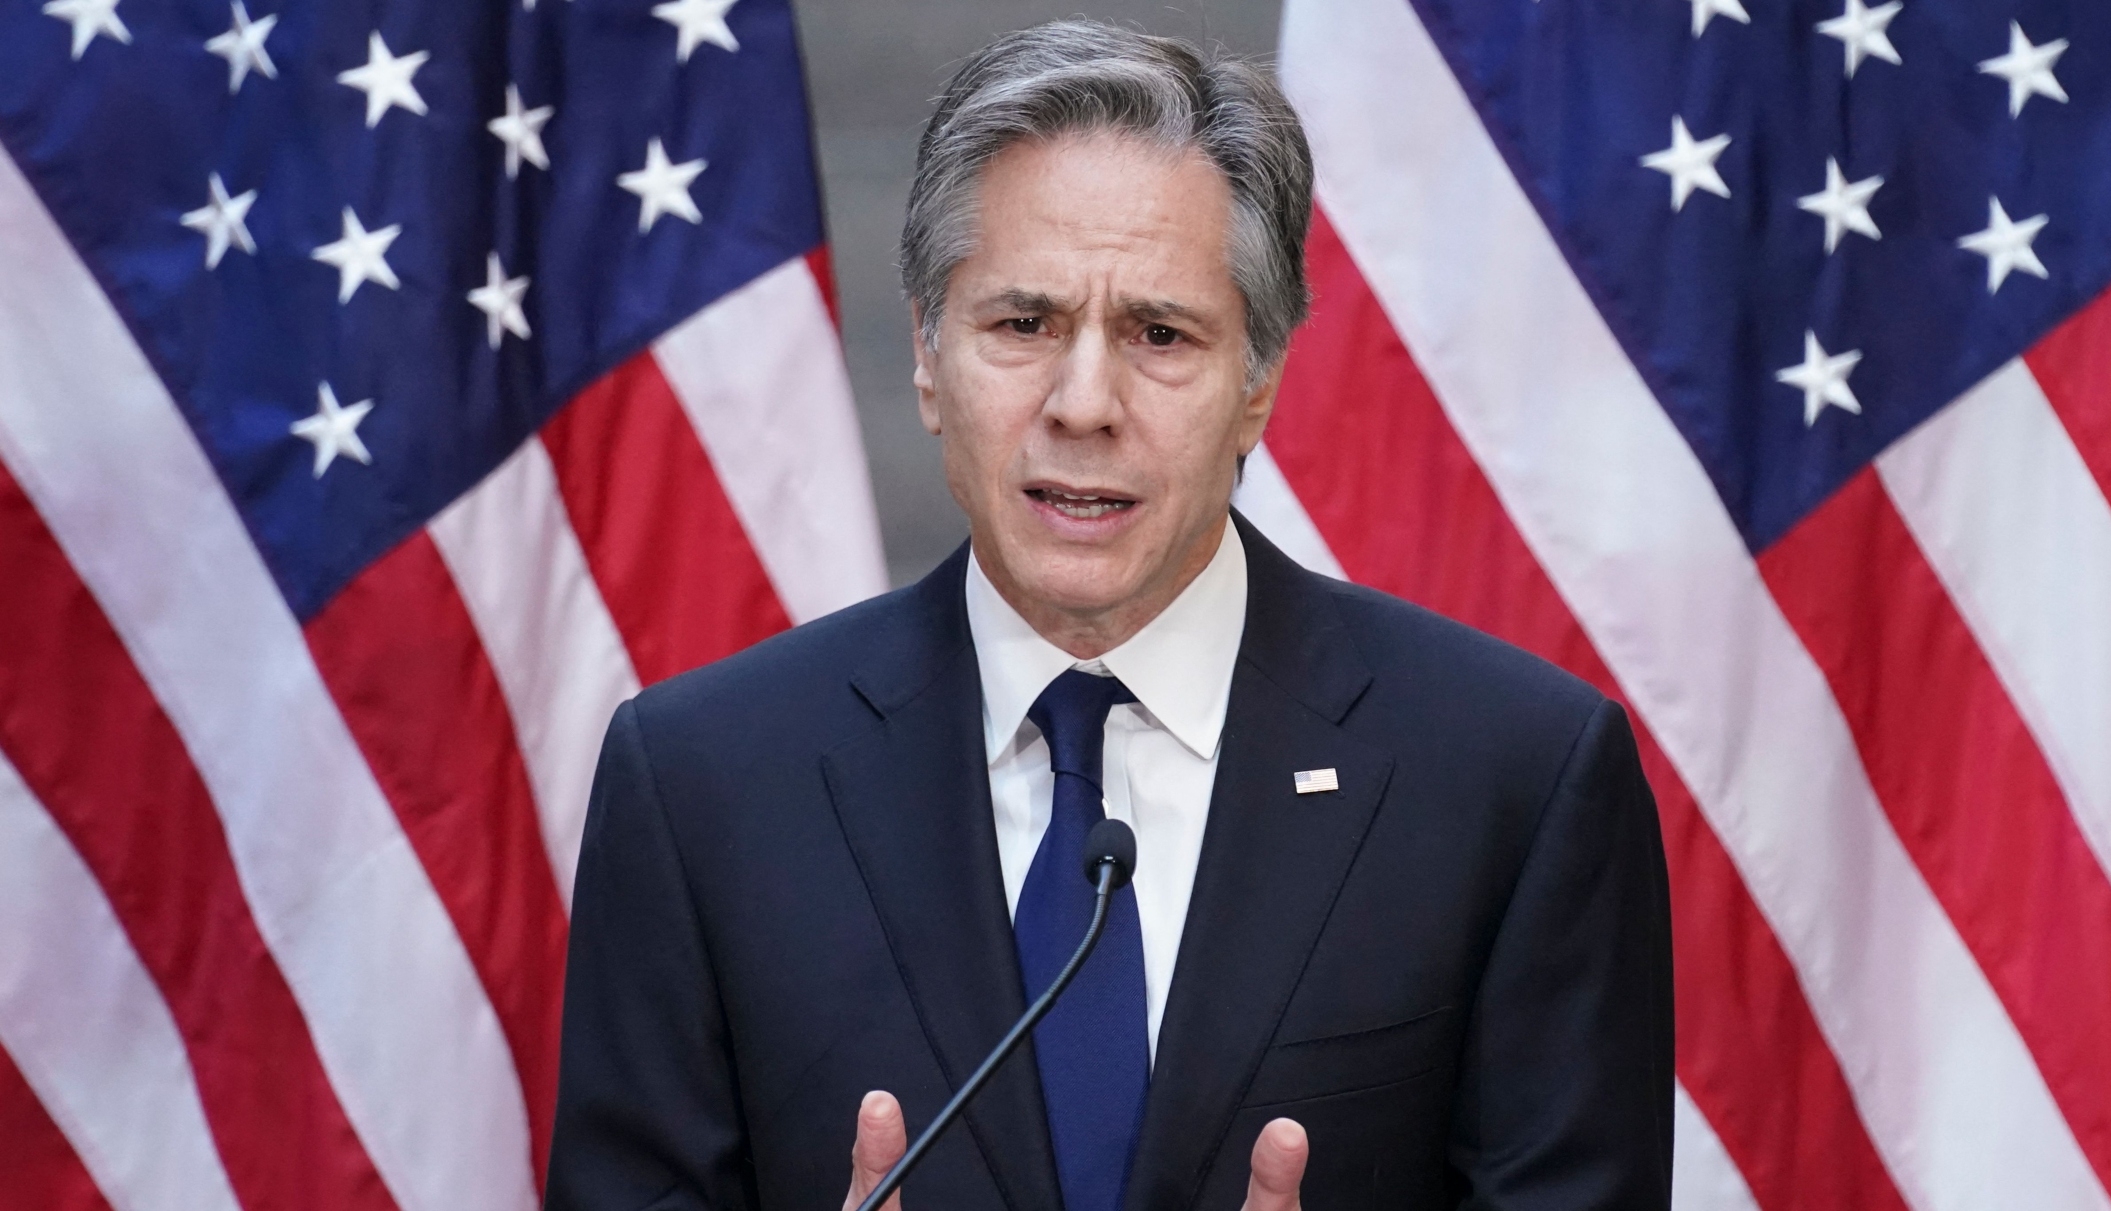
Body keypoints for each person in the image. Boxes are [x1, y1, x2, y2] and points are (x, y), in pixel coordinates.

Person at [545, 19, 1673, 1211]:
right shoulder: (703, 783)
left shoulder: (1513, 779)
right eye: (1022, 324)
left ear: (1259, 383)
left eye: (1160, 334)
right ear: (930, 357)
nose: (1085, 403)